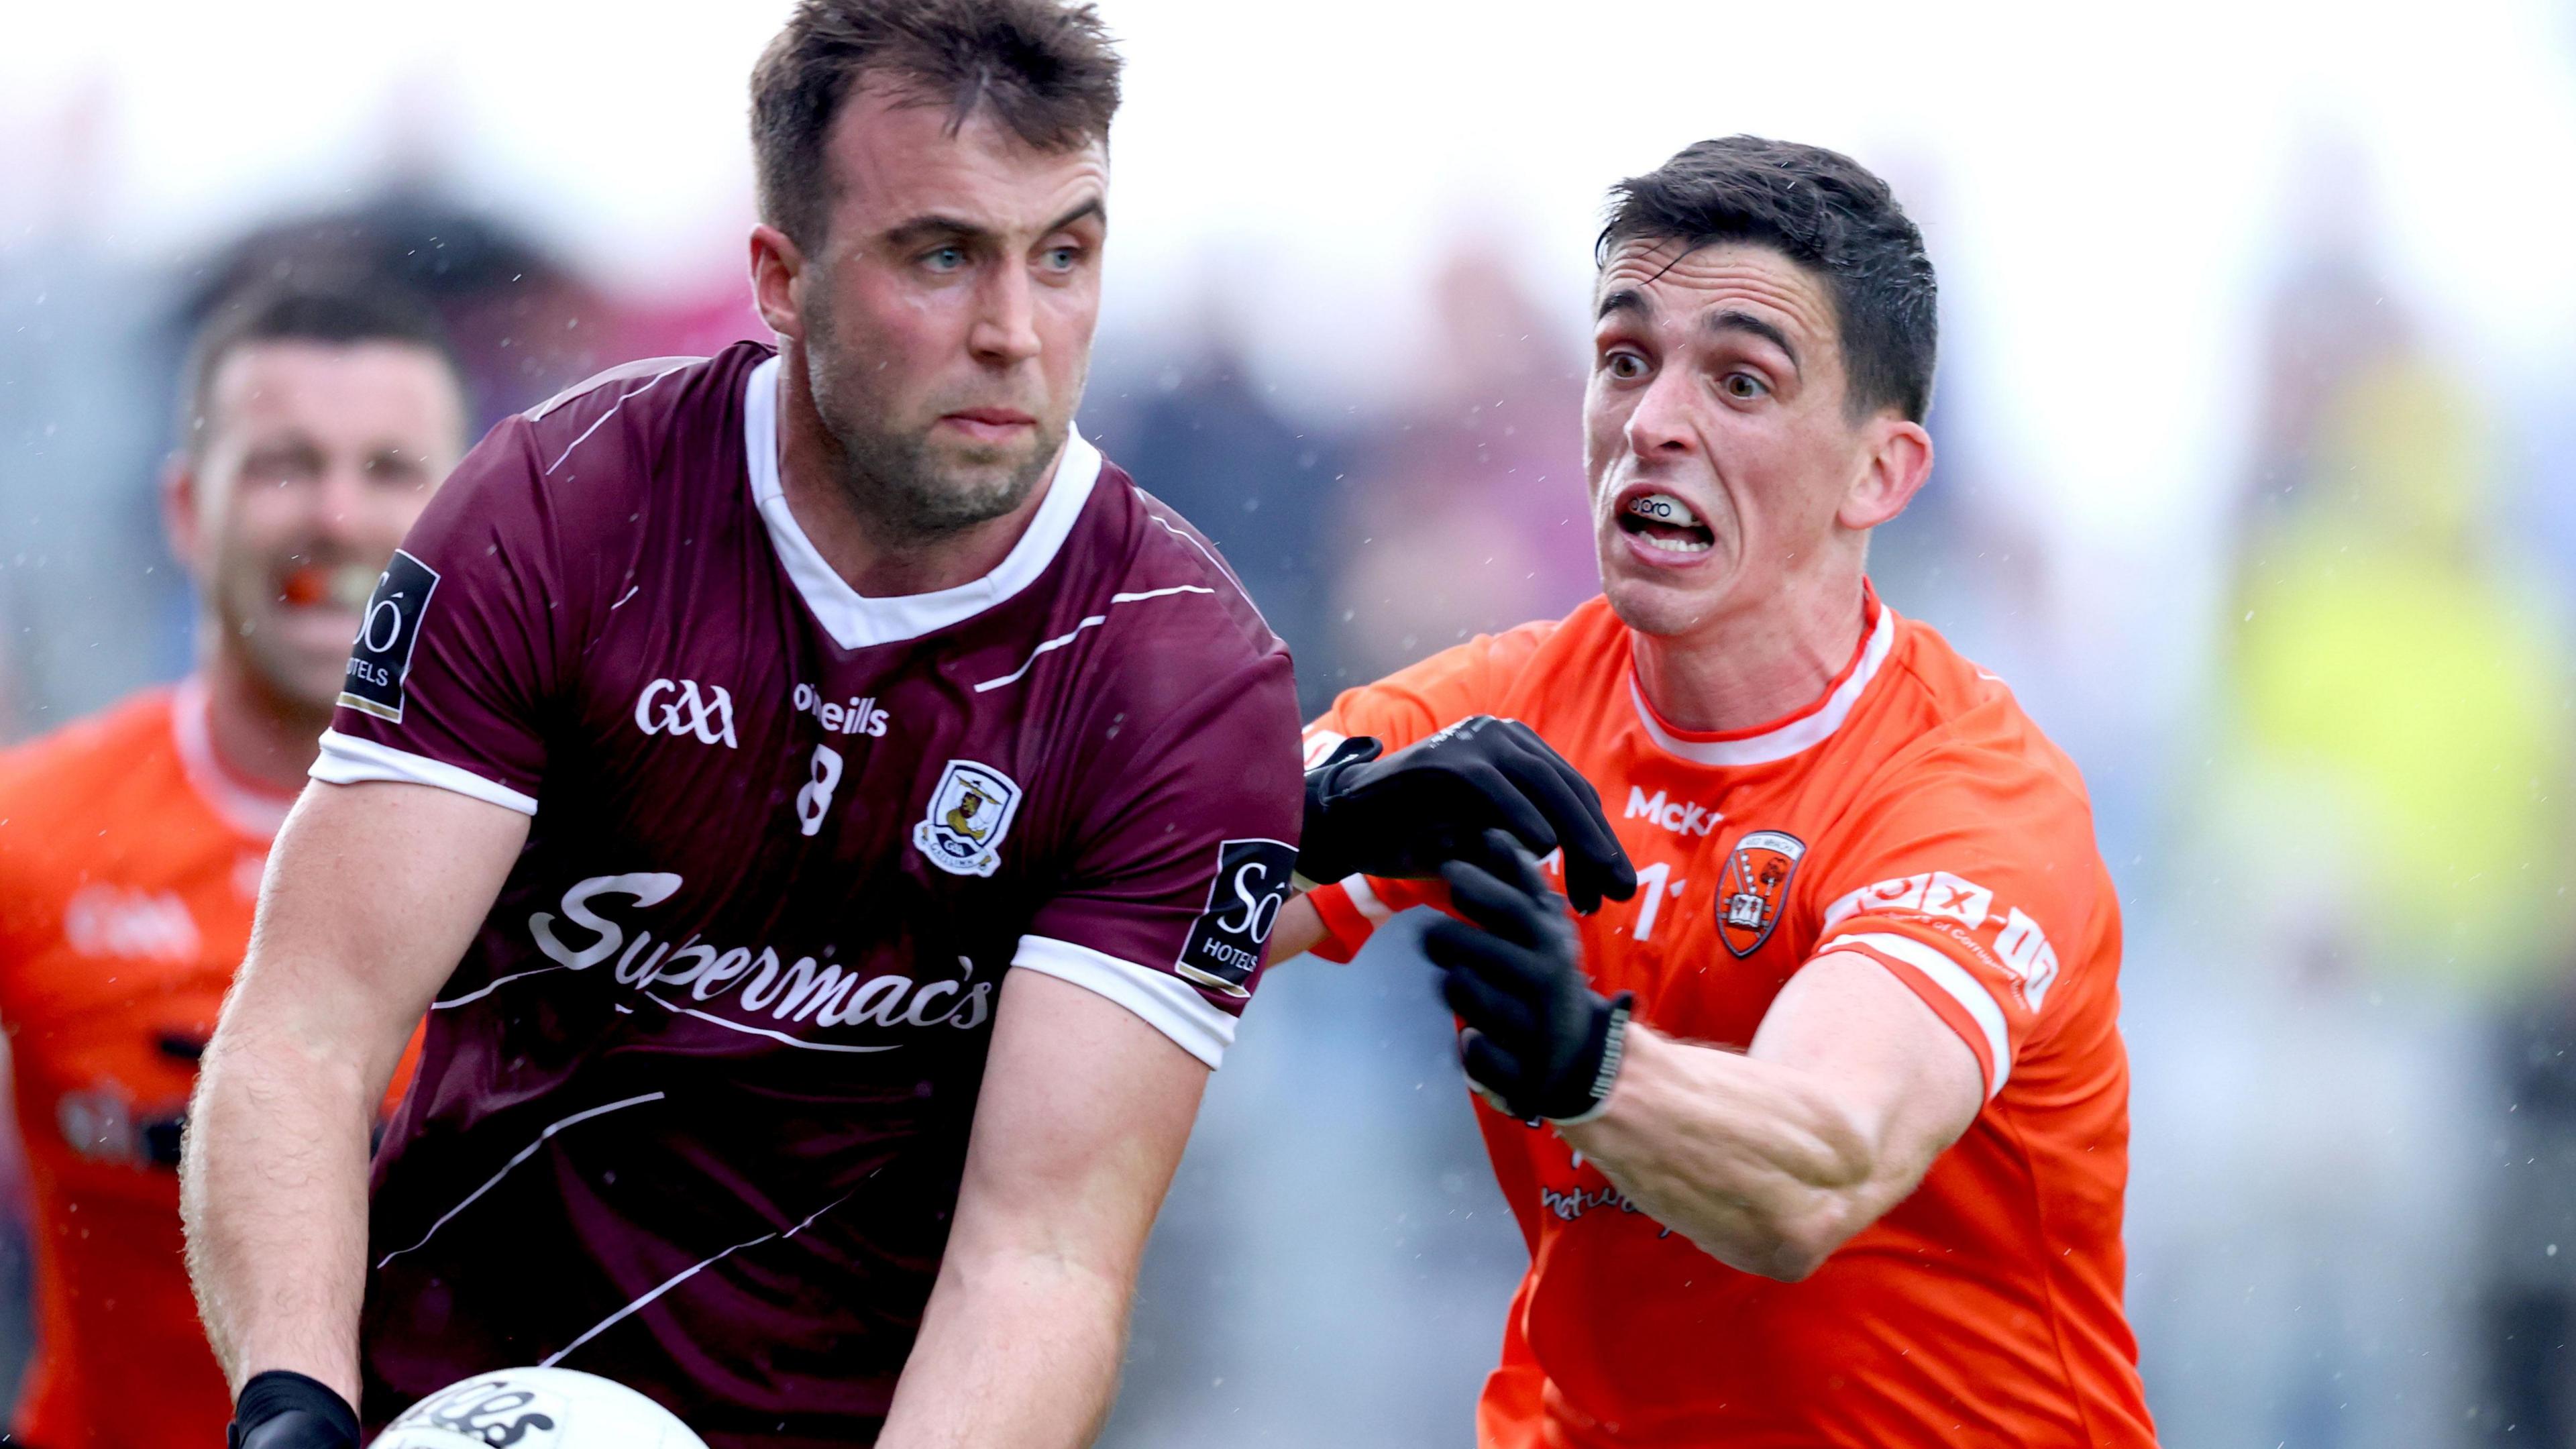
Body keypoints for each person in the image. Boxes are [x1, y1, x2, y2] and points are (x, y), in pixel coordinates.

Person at [178, 5, 1330, 1447]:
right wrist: (295, 1407)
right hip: (447, 1403)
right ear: (782, 280)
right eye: (941, 254)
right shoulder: (568, 509)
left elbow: (1037, 1263)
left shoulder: (1180, 681)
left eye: (1065, 256)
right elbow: (308, 1030)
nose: (1013, 334)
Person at [1271, 137, 2158, 1446]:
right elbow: (1135, 899)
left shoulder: (1972, 789)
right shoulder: (1502, 707)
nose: (1653, 421)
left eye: (1740, 379)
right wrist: (1307, 813)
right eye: (1625, 359)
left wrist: (1586, 1063)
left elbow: (1818, 1168)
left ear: (1883, 473)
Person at [0, 284, 466, 1448]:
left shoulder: (581, 846)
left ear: (472, 517)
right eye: (282, 466)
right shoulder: (39, 830)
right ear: (182, 510)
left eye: (392, 469)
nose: (340, 516)